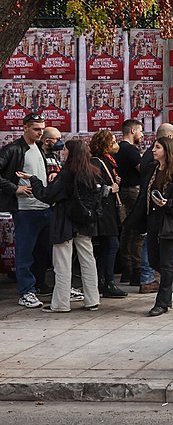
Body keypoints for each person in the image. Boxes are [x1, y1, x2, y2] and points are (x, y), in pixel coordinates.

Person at [22, 139, 106, 312]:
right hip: (85, 222)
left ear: (71, 153)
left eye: (65, 150)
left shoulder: (67, 173)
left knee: (62, 263)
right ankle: (92, 300)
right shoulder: (94, 173)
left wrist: (34, 180)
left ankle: (60, 304)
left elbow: (47, 195)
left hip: (65, 222)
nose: (62, 152)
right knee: (88, 260)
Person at [129, 136, 173, 317]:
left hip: (170, 222)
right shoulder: (152, 169)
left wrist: (167, 204)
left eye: (157, 147)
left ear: (167, 150)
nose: (153, 150)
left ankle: (162, 302)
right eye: (154, 147)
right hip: (153, 219)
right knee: (153, 259)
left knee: (165, 263)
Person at [0, 115, 52, 307]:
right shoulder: (13, 149)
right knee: (25, 253)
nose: (40, 132)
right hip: (25, 209)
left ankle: (39, 285)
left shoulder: (38, 148)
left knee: (45, 252)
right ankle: (26, 291)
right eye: (36, 129)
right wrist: (15, 188)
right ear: (25, 128)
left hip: (44, 206)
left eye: (42, 129)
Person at [89, 130, 126, 299]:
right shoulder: (97, 162)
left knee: (109, 246)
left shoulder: (109, 161)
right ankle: (107, 281)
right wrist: (111, 188)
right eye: (112, 140)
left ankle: (105, 280)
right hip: (103, 213)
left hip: (108, 211)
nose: (116, 143)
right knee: (111, 245)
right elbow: (93, 187)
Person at [116, 119, 145, 286]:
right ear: (133, 130)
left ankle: (127, 269)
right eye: (140, 131)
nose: (141, 135)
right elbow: (143, 168)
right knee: (137, 230)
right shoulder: (130, 150)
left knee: (126, 230)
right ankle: (136, 269)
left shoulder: (118, 149)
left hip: (122, 191)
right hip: (132, 191)